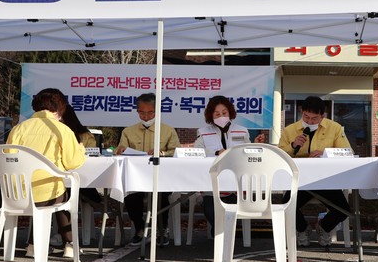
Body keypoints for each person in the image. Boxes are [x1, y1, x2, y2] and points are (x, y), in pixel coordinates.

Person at [7, 88, 86, 258]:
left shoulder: (18, 129)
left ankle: (33, 245)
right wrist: (80, 150)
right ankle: (70, 245)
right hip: (47, 192)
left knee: (42, 200)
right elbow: (73, 163)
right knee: (63, 196)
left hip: (16, 193)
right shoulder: (62, 130)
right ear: (59, 108)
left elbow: (9, 158)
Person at [278, 95, 352, 247]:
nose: (310, 121)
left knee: (343, 210)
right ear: (301, 112)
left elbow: (347, 153)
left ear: (322, 116)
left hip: (326, 180)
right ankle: (303, 228)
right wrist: (292, 146)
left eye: (314, 118)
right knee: (285, 206)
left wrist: (324, 153)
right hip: (300, 181)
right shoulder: (290, 130)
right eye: (306, 117)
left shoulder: (335, 128)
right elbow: (278, 155)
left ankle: (323, 227)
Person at [115, 92, 181, 246]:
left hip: (160, 177)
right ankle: (139, 227)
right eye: (141, 112)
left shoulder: (168, 130)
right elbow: (120, 149)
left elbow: (177, 152)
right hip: (136, 176)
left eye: (150, 112)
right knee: (131, 195)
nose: (145, 116)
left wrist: (162, 153)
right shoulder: (128, 131)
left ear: (157, 111)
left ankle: (162, 229)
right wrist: (120, 150)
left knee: (162, 196)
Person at [194, 95, 265, 235]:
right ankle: (222, 236)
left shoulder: (242, 131)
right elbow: (197, 152)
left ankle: (222, 237)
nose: (221, 116)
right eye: (217, 114)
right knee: (211, 211)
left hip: (236, 183)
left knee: (232, 213)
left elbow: (248, 153)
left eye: (224, 113)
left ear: (230, 112)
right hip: (213, 184)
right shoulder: (203, 132)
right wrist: (215, 152)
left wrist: (255, 143)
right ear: (211, 115)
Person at [58, 104, 105, 245]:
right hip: (57, 182)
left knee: (67, 190)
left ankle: (66, 237)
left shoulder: (85, 136)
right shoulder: (51, 133)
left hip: (81, 179)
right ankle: (63, 236)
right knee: (61, 190)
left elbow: (90, 159)